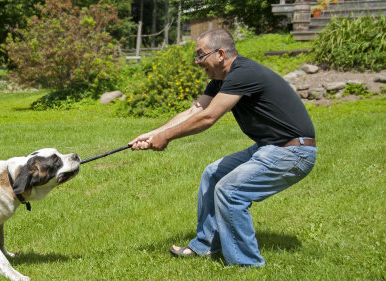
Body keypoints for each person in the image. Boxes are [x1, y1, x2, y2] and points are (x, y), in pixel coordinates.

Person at [129, 28, 316, 267]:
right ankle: (206, 246)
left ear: (219, 54)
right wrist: (153, 133)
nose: (197, 62)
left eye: (200, 55)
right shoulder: (219, 80)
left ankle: (245, 264)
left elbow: (208, 118)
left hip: (293, 152)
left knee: (230, 190)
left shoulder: (243, 73)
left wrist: (166, 137)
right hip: (269, 147)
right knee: (213, 174)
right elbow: (195, 110)